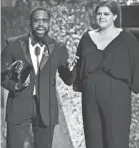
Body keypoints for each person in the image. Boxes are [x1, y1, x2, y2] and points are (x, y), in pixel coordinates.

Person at [68, 1, 139, 148]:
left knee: (116, 140)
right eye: (99, 14)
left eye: (106, 14)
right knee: (93, 141)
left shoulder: (127, 39)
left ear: (114, 16)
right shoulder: (86, 38)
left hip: (117, 94)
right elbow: (77, 68)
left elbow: (136, 65)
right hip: (89, 95)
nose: (102, 17)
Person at [1, 7, 74, 148]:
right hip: (18, 104)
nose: (41, 24)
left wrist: (72, 70)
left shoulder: (59, 47)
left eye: (44, 20)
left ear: (49, 24)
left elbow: (68, 80)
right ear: (30, 23)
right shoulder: (13, 44)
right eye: (37, 20)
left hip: (46, 108)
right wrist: (14, 85)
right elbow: (1, 73)